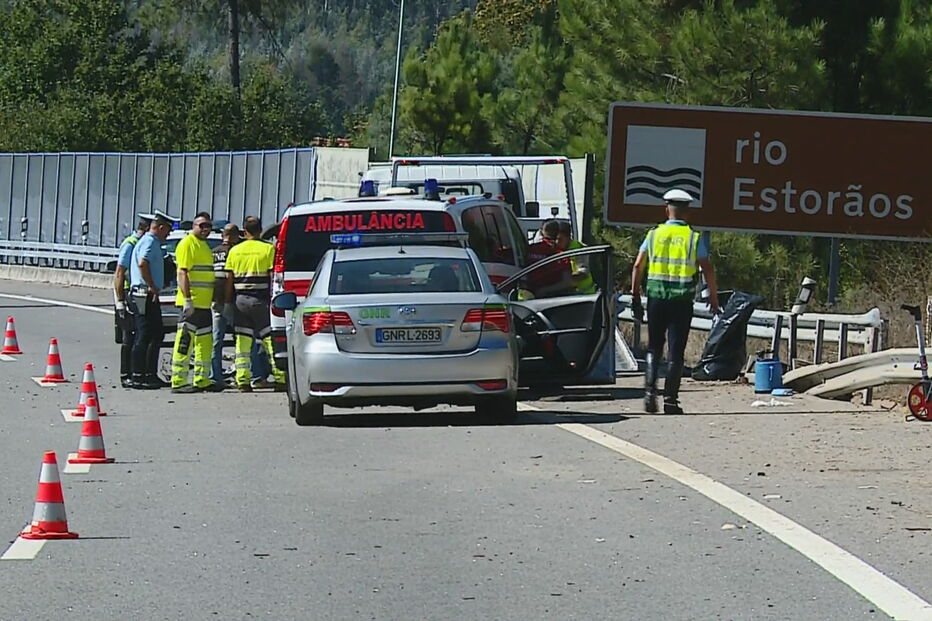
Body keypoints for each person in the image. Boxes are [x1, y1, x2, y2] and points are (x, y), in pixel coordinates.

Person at [630, 189, 720, 415]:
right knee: (676, 350)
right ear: (687, 212)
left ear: (666, 210)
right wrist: (713, 297)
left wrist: (634, 295)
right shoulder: (693, 237)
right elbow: (707, 268)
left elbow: (638, 265)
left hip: (656, 298)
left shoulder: (654, 235)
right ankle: (670, 400)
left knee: (654, 346)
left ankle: (650, 393)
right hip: (681, 300)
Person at [224, 216, 286, 392]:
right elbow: (274, 277)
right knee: (270, 340)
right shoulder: (268, 249)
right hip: (261, 301)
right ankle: (280, 378)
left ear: (244, 231)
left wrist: (228, 302)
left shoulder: (235, 251)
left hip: (240, 300)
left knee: (242, 343)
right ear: (260, 230)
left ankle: (243, 380)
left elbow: (229, 279)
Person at [170, 212, 219, 394]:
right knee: (185, 341)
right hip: (192, 303)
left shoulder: (204, 246)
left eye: (208, 226)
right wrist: (187, 299)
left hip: (204, 305)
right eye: (202, 225)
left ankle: (201, 379)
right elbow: (182, 272)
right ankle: (178, 381)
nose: (206, 229)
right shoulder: (187, 244)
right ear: (194, 226)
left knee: (204, 343)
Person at [129, 210, 178, 389]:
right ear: (161, 227)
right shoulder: (149, 241)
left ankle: (149, 374)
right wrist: (151, 285)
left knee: (156, 334)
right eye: (168, 231)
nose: (168, 235)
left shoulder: (152, 242)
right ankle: (139, 375)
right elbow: (143, 263)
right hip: (145, 294)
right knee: (145, 334)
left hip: (149, 294)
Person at [113, 214, 154, 388]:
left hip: (138, 294)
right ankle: (126, 374)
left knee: (141, 334)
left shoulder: (143, 243)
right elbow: (119, 273)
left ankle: (142, 372)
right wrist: (120, 300)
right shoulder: (131, 244)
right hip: (129, 294)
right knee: (129, 336)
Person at [210, 223, 241, 387]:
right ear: (235, 236)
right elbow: (230, 278)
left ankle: (215, 376)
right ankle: (242, 373)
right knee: (241, 339)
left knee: (216, 340)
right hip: (233, 301)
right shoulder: (235, 252)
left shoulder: (213, 252)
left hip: (215, 301)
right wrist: (229, 300)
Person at [524, 219, 574, 298]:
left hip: (528, 296)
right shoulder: (560, 255)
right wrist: (544, 290)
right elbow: (567, 282)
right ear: (558, 233)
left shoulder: (529, 250)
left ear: (541, 232)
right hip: (552, 299)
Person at [555, 220, 596, 294]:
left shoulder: (579, 249)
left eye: (560, 239)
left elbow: (583, 273)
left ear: (568, 237)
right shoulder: (555, 249)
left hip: (584, 294)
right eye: (555, 239)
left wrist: (566, 280)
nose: (557, 242)